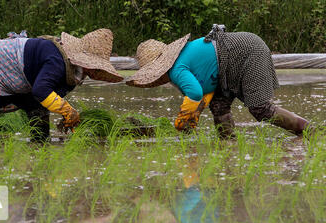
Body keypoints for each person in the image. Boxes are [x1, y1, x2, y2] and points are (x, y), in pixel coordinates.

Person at [126, 24, 311, 138]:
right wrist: (194, 116)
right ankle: (228, 146)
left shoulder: (176, 70)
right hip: (231, 60)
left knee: (260, 109)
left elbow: (196, 93)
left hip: (246, 53)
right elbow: (205, 88)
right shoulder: (181, 60)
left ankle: (308, 130)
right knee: (219, 105)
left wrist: (183, 119)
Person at [0, 28, 123, 144]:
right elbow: (41, 90)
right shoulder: (57, 61)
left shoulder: (73, 72)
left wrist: (65, 116)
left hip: (21, 74)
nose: (94, 72)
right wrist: (67, 110)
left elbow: (44, 96)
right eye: (94, 68)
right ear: (84, 62)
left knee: (38, 110)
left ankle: (40, 146)